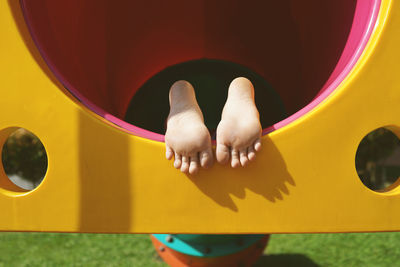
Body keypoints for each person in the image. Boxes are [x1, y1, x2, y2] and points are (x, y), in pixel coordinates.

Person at [165, 77, 262, 175]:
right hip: (221, 136)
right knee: (240, 146)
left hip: (201, 140)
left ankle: (181, 95)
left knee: (180, 150)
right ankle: (241, 88)